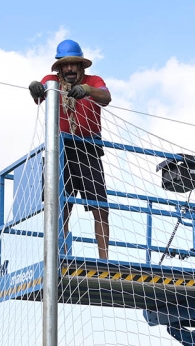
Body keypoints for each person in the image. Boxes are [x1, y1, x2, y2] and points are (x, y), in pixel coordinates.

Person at [29, 40, 113, 261]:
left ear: (81, 66)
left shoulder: (94, 81)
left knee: (100, 206)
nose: (69, 69)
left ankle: (104, 259)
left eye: (73, 64)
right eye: (65, 64)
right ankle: (60, 255)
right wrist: (34, 88)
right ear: (59, 67)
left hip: (88, 148)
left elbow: (106, 97)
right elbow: (39, 92)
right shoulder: (52, 81)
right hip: (60, 150)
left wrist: (87, 91)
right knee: (60, 205)